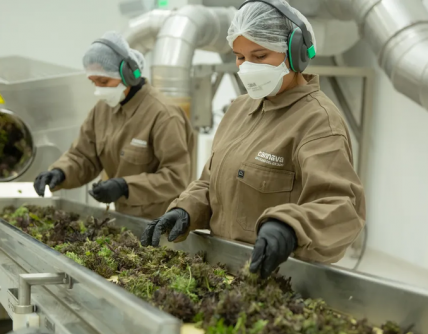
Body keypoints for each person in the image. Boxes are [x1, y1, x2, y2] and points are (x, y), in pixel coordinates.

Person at [141, 0, 366, 278]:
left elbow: (341, 208)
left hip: (279, 279)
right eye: (240, 57)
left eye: (259, 56)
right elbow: (211, 183)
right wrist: (185, 209)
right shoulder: (239, 109)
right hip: (223, 272)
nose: (247, 67)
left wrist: (289, 227)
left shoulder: (318, 121)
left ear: (295, 54)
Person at [33, 31, 194, 219]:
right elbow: (84, 156)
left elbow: (176, 177)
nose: (99, 90)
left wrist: (125, 187)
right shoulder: (102, 110)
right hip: (124, 219)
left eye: (104, 81)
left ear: (129, 75)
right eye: (94, 82)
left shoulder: (164, 115)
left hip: (160, 224)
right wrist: (60, 172)